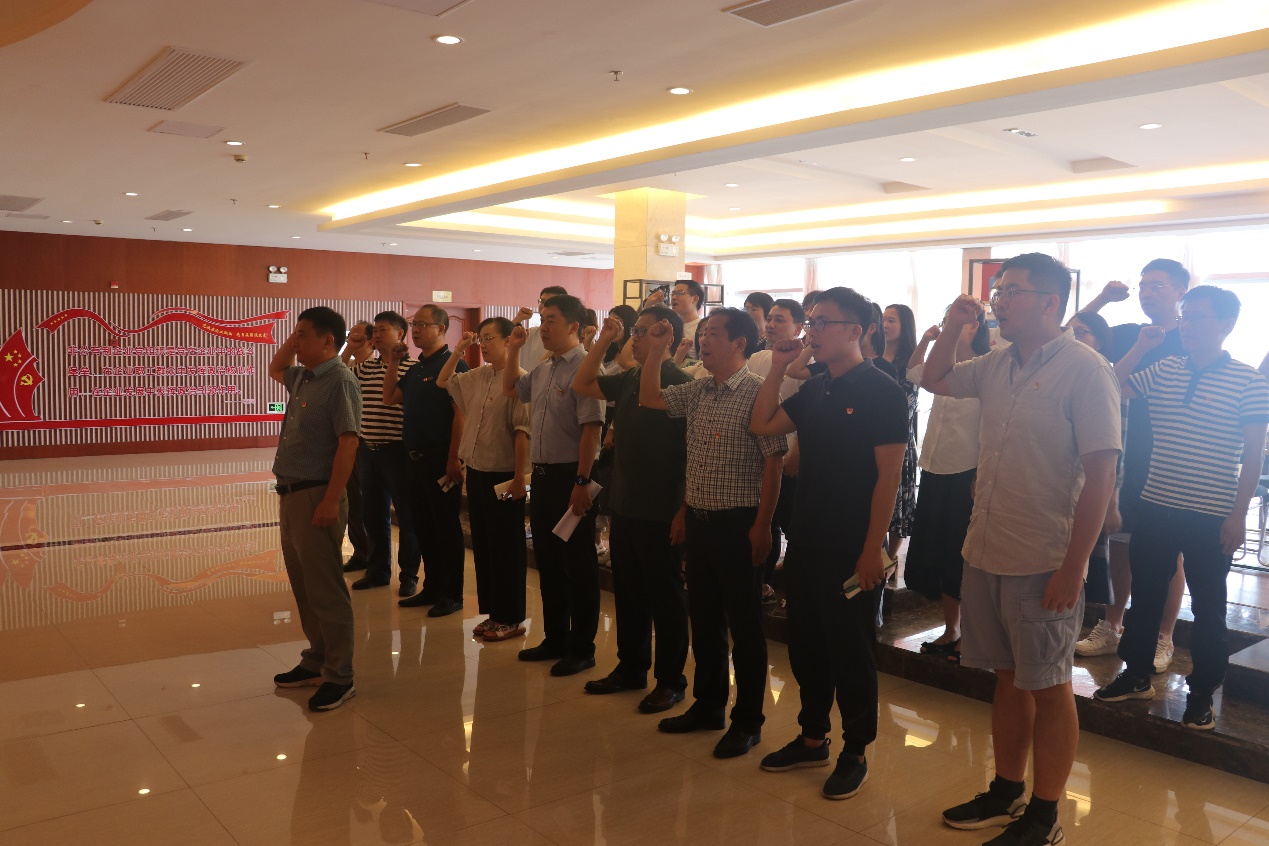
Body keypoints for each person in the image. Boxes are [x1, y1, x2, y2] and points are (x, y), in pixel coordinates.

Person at [922, 253, 1121, 846]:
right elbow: (934, 379)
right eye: (998, 291)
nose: (999, 301)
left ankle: (1045, 815)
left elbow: (1101, 475)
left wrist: (1074, 568)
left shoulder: (1086, 369)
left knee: (1050, 686)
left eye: (1012, 291)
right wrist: (954, 325)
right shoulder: (996, 363)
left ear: (1050, 303)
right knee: (1008, 679)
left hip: (1044, 557)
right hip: (986, 546)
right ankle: (1006, 789)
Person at [750, 287, 909, 801]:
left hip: (851, 547)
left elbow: (889, 478)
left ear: (855, 331)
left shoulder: (882, 390)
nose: (812, 330)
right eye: (811, 321)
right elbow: (763, 424)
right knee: (807, 645)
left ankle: (855, 751)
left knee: (851, 651)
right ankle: (812, 737)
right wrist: (778, 367)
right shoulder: (816, 387)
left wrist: (872, 549)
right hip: (807, 539)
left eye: (823, 322)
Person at [1095, 286, 1269, 731]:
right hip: (1156, 504)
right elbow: (1109, 386)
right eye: (1185, 317)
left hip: (1212, 513)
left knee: (1209, 608)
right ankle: (1136, 676)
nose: (1187, 325)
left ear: (1226, 324)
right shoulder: (1165, 367)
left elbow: (1253, 456)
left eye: (1198, 317)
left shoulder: (1250, 380)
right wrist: (1141, 346)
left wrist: (1237, 515)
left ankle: (1202, 694)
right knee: (1145, 596)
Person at [638, 307, 786, 759]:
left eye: (714, 334)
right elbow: (650, 398)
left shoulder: (758, 392)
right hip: (700, 522)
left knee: (745, 627)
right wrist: (657, 350)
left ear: (740, 342)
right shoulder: (699, 389)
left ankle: (748, 722)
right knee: (703, 621)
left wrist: (763, 524)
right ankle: (708, 706)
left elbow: (774, 462)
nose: (704, 340)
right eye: (702, 333)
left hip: (740, 525)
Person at [572, 306, 692, 712]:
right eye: (634, 332)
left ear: (666, 337)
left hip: (661, 508)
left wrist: (683, 509)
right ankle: (631, 667)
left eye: (642, 332)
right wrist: (605, 339)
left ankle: (671, 681)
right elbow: (582, 382)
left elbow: (691, 454)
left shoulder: (679, 382)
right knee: (628, 593)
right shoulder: (630, 378)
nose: (634, 339)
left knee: (666, 598)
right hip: (625, 503)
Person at [1074, 260, 1190, 672]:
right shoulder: (1129, 334)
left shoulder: (1190, 337)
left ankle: (1164, 636)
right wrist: (1104, 298)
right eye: (1143, 286)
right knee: (1120, 544)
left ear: (1180, 291)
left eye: (1157, 286)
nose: (1147, 293)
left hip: (1170, 456)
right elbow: (1074, 333)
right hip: (1124, 452)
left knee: (1170, 550)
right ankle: (1112, 626)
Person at [502, 294, 605, 677]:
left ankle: (583, 648)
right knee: (548, 561)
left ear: (574, 327)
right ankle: (556, 637)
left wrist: (581, 481)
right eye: (542, 319)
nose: (543, 327)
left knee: (578, 565)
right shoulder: (545, 367)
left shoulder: (585, 368)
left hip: (571, 477)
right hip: (544, 477)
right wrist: (514, 349)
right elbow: (512, 389)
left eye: (552, 320)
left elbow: (591, 431)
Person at [268, 307, 363, 712]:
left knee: (326, 589)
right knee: (304, 586)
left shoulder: (340, 380)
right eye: (295, 335)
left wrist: (330, 500)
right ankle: (316, 660)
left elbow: (348, 442)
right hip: (291, 495)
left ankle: (340, 675)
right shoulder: (304, 376)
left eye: (303, 335)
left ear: (328, 341)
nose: (296, 342)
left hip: (317, 495)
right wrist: (294, 340)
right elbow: (275, 367)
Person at [437, 317, 531, 642]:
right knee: (485, 546)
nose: (484, 344)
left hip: (504, 477)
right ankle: (494, 614)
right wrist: (460, 349)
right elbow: (443, 380)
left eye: (489, 338)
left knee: (507, 548)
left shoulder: (520, 381)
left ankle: (511, 617)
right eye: (481, 338)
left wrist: (519, 479)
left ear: (508, 341)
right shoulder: (478, 375)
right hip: (477, 472)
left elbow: (522, 432)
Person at [903, 311, 989, 659]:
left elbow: (992, 427)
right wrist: (926, 339)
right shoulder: (942, 367)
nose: (951, 328)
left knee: (963, 556)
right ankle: (951, 628)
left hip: (968, 471)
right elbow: (912, 372)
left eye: (961, 322)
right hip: (935, 466)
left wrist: (981, 474)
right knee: (939, 552)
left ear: (976, 327)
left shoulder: (986, 368)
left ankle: (973, 634)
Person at [384, 305, 468, 616]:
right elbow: (390, 397)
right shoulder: (417, 367)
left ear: (441, 329)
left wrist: (453, 458)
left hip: (440, 458)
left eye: (423, 324)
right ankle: (432, 588)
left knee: (446, 528)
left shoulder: (454, 364)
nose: (416, 329)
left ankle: (453, 594)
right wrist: (394, 362)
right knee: (423, 526)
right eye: (414, 323)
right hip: (414, 459)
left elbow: (461, 415)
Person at [346, 312, 422, 597]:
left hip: (399, 452)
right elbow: (338, 375)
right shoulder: (365, 367)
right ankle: (378, 571)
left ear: (400, 334)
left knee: (407, 516)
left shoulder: (413, 368)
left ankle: (409, 575)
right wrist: (350, 348)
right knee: (373, 515)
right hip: (369, 450)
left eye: (383, 330)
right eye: (375, 331)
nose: (376, 335)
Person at [746, 298, 807, 603]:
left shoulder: (805, 362)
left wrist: (796, 453)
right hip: (760, 454)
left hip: (790, 453)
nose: (770, 325)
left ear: (798, 327)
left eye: (779, 319)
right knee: (764, 520)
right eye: (769, 318)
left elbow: (807, 413)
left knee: (793, 525)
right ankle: (763, 582)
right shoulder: (757, 358)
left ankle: (797, 586)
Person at [1065, 312, 1121, 610]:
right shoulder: (1060, 372)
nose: (1073, 338)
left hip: (1092, 488)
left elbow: (1115, 451)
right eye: (1069, 331)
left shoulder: (1103, 376)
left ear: (1099, 341)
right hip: (1060, 487)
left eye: (1082, 332)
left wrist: (1112, 503)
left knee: (1082, 566)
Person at [883, 303, 919, 564]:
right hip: (869, 440)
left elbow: (907, 405)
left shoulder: (911, 361)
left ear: (904, 326)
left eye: (891, 320)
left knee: (898, 509)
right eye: (883, 319)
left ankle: (888, 561)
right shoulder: (871, 356)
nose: (885, 324)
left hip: (898, 442)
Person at [337, 321, 373, 572]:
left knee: (366, 500)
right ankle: (361, 552)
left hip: (370, 441)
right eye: (352, 333)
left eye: (359, 334)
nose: (354, 337)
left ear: (370, 340)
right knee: (352, 499)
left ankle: (373, 554)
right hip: (351, 440)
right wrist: (349, 347)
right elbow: (335, 372)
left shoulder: (375, 366)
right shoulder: (348, 365)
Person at [512, 285, 568, 371]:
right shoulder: (531, 333)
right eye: (542, 301)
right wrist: (519, 318)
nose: (544, 305)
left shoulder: (567, 338)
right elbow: (504, 338)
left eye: (550, 302)